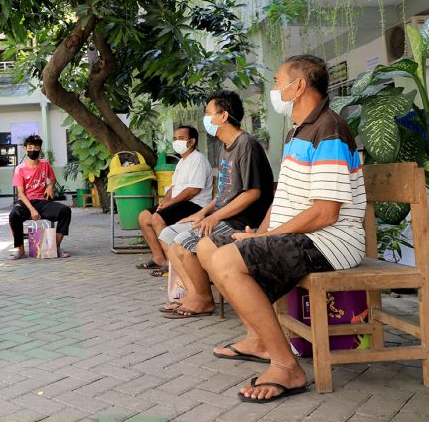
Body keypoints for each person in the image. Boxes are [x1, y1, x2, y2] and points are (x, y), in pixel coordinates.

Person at [200, 55, 366, 403]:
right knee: (208, 250)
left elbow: (325, 213)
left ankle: (286, 366)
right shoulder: (297, 132)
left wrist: (267, 238)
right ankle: (257, 339)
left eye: (277, 82)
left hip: (329, 241)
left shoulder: (328, 129)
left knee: (226, 262)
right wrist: (260, 231)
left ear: (299, 85)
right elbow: (283, 200)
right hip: (303, 236)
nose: (275, 89)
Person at [157, 90, 273, 318]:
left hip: (242, 220)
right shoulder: (224, 147)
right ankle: (192, 294)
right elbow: (222, 194)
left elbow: (252, 193)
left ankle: (203, 299)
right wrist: (203, 213)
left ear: (223, 116)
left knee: (183, 241)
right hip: (223, 215)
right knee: (168, 234)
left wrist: (215, 217)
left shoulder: (246, 145)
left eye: (209, 113)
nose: (206, 118)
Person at [135, 126, 212, 273]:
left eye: (181, 139)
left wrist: (171, 203)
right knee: (144, 216)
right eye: (175, 139)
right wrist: (164, 202)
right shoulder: (182, 161)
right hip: (181, 202)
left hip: (196, 204)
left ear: (192, 141)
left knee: (157, 218)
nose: (177, 142)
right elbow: (173, 188)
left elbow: (193, 190)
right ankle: (159, 258)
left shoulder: (198, 159)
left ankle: (173, 263)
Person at [8, 135, 71, 259]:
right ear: (26, 150)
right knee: (13, 215)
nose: (33, 150)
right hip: (26, 203)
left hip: (42, 202)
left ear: (40, 150)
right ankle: (20, 250)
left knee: (65, 211)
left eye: (36, 147)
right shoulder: (19, 169)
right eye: (30, 147)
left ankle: (55, 247)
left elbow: (52, 180)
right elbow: (21, 193)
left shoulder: (45, 164)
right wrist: (31, 209)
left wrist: (50, 186)